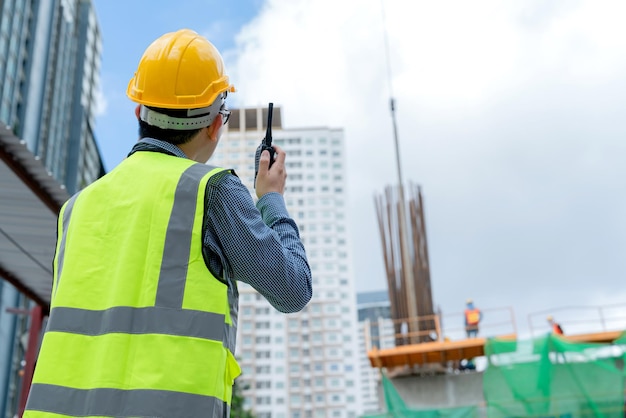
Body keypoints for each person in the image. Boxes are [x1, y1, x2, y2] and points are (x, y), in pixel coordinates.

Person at [24, 29, 312, 418]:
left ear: (138, 111)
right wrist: (272, 199)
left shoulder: (77, 208)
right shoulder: (213, 192)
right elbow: (292, 288)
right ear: (215, 125)